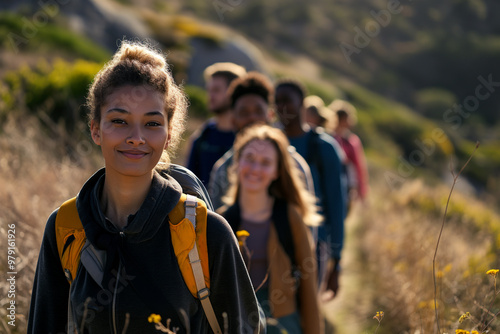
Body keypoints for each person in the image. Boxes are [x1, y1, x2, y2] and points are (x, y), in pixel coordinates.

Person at [28, 41, 263, 334]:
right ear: (95, 129)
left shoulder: (206, 233)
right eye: (119, 121)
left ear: (168, 136)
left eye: (152, 124)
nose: (136, 137)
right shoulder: (66, 227)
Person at [220, 124, 323, 334]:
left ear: (277, 171)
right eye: (249, 158)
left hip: (283, 324)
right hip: (237, 324)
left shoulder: (289, 216)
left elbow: (308, 284)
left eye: (265, 162)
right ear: (238, 162)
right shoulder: (221, 221)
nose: (255, 168)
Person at [275, 80, 346, 301]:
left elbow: (336, 205)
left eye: (287, 100)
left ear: (302, 104)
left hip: (315, 246)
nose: (281, 107)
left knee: (306, 311)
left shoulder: (324, 147)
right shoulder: (270, 143)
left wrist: (336, 261)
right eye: (276, 101)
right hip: (274, 243)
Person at [208, 72, 315, 211]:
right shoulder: (223, 169)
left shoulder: (294, 165)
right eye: (244, 113)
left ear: (270, 115)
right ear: (233, 120)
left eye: (258, 111)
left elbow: (305, 225)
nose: (252, 118)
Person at [186, 62, 246, 187]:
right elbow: (189, 183)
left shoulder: (247, 137)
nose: (210, 96)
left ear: (234, 92)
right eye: (209, 90)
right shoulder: (202, 136)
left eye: (216, 90)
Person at [329, 99, 369, 205]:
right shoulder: (327, 137)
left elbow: (359, 166)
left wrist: (362, 190)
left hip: (345, 185)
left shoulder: (350, 141)